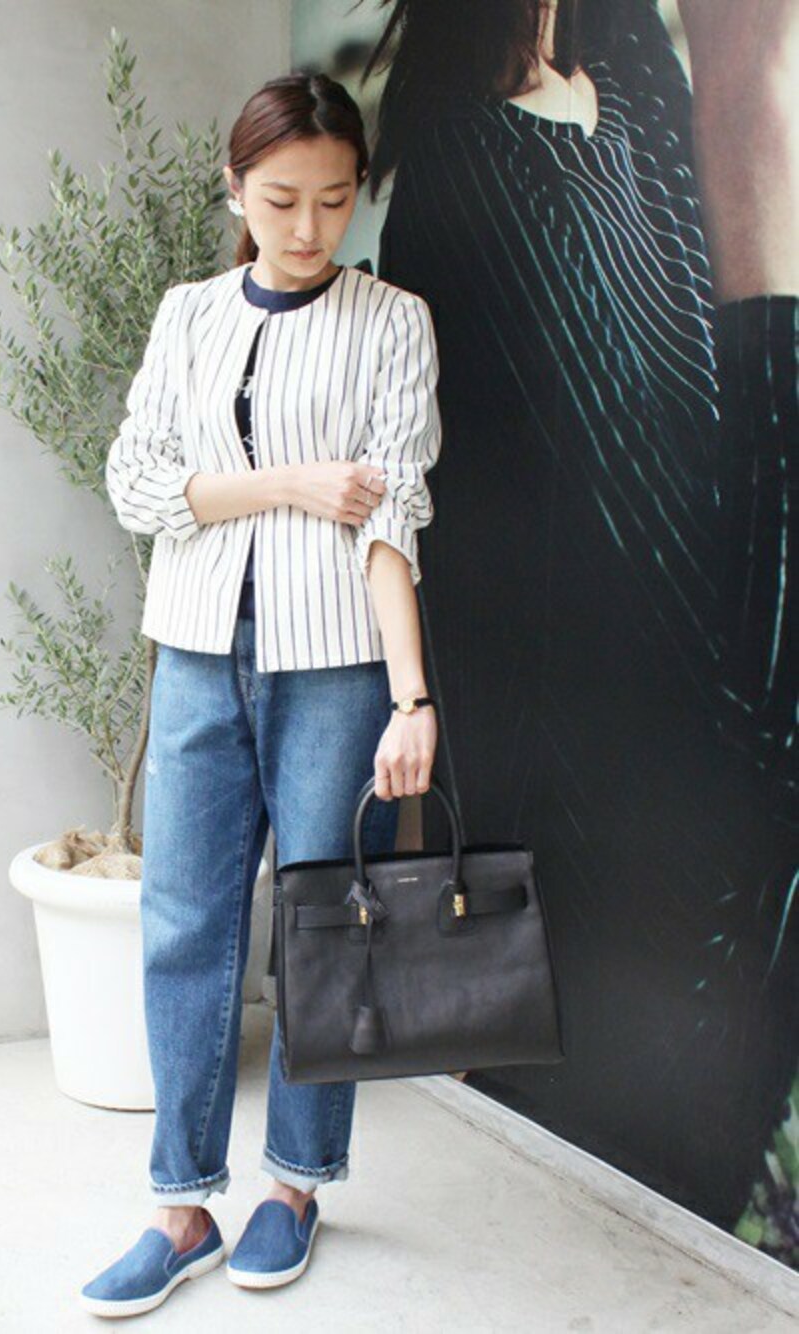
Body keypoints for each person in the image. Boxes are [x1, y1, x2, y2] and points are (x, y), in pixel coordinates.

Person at [361, 0, 796, 1231]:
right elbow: (454, 516)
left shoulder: (641, 82)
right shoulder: (457, 161)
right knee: (598, 1155)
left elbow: (719, 364)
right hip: (577, 749)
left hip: (708, 695)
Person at [80, 72, 442, 1316]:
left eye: (333, 201)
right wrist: (291, 482)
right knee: (183, 917)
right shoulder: (186, 316)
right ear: (234, 188)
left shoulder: (391, 321)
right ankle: (180, 1203)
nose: (306, 227)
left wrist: (410, 697)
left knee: (322, 921)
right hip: (195, 647)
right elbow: (137, 483)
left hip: (334, 660)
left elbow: (389, 514)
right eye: (280, 200)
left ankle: (294, 1184)